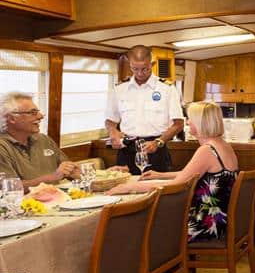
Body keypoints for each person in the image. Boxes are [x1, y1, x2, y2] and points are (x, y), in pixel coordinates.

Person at [108, 101, 239, 242]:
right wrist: (161, 175)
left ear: (201, 122)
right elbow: (193, 173)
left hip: (205, 225)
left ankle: (164, 263)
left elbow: (176, 185)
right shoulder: (222, 145)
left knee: (141, 227)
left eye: (190, 119)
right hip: (220, 221)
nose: (188, 122)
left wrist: (129, 187)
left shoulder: (207, 150)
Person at [105, 45, 184, 174]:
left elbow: (179, 123)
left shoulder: (167, 89)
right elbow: (110, 120)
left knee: (156, 191)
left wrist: (159, 141)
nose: (140, 73)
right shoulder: (119, 89)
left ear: (152, 64)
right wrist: (113, 132)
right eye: (135, 69)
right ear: (129, 65)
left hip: (155, 150)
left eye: (145, 69)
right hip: (126, 151)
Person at [0, 91, 80, 191]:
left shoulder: (44, 139)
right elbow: (9, 188)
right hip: (24, 205)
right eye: (33, 113)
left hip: (57, 200)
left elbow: (68, 171)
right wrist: (53, 177)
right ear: (11, 118)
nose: (40, 116)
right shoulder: (2, 147)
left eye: (38, 112)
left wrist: (75, 173)